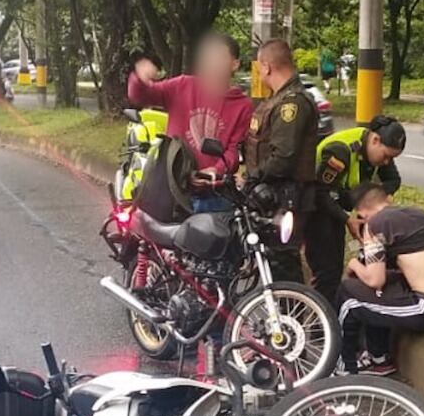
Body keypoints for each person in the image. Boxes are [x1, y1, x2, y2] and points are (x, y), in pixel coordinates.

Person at [336, 184, 424, 376]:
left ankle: (344, 368)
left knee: (349, 295)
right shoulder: (423, 216)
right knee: (379, 289)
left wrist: (354, 264)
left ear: (362, 214)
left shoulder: (375, 224)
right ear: (388, 199)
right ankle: (379, 359)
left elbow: (374, 280)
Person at [127, 32, 253, 212]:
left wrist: (215, 170)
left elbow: (234, 150)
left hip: (213, 195)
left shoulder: (243, 106)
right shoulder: (182, 85)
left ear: (235, 64)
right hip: (172, 188)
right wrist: (140, 78)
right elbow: (141, 96)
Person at [304, 117, 406, 301]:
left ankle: (329, 308)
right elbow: (320, 192)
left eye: (391, 158)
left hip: (336, 205)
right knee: (326, 270)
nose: (386, 162)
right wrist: (347, 220)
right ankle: (319, 312)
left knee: (335, 267)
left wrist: (371, 202)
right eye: (386, 156)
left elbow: (393, 180)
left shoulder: (378, 149)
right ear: (375, 140)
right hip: (315, 208)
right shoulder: (340, 151)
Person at [243, 38, 319, 283]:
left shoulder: (292, 103)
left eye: (258, 68)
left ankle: (290, 305)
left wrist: (252, 178)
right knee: (269, 263)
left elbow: (283, 157)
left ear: (266, 67)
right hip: (272, 196)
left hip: (286, 197)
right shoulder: (277, 100)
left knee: (282, 265)